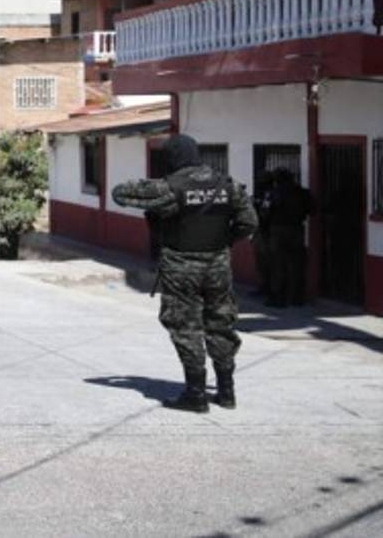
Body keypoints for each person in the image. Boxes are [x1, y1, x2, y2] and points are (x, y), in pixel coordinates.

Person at [112, 134, 257, 413]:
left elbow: (120, 193)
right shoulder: (227, 185)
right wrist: (225, 241)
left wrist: (154, 196)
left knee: (185, 327)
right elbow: (249, 222)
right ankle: (226, 391)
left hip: (181, 267)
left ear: (172, 157)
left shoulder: (169, 187)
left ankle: (196, 394)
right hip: (218, 266)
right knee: (221, 324)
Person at [267, 168, 312, 308]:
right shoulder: (303, 193)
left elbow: (266, 212)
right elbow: (312, 209)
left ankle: (279, 298)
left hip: (278, 230)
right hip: (296, 229)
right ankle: (296, 298)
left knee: (278, 264)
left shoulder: (273, 193)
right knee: (296, 264)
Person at [252, 171, 274, 303]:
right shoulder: (264, 194)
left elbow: (265, 213)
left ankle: (269, 288)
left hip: (266, 231)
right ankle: (265, 286)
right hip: (263, 231)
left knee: (266, 262)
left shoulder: (269, 194)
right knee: (262, 262)